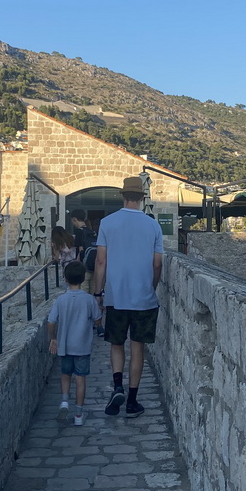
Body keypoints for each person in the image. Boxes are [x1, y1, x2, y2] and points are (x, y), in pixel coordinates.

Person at [93, 175, 164, 418]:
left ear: (123, 196)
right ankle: (132, 402)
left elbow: (101, 261)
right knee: (138, 348)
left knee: (116, 344)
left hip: (116, 296)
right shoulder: (153, 225)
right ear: (142, 198)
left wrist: (98, 293)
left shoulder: (107, 223)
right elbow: (157, 264)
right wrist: (151, 287)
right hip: (143, 298)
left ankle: (117, 386)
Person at [47, 260, 102, 426]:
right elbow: (98, 320)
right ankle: (78, 415)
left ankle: (64, 402)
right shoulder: (88, 300)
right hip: (82, 347)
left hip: (65, 345)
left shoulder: (61, 300)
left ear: (65, 278)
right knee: (80, 379)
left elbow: (51, 322)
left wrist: (54, 338)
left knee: (65, 375)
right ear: (84, 278)